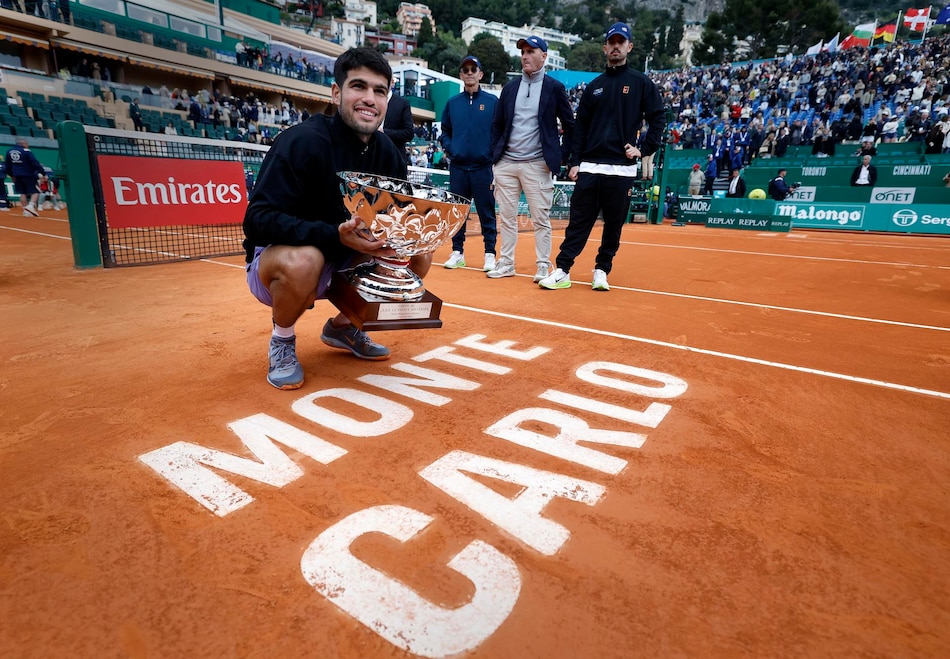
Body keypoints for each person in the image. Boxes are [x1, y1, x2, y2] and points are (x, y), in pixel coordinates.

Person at [243, 47, 423, 390]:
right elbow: (256, 221)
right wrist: (333, 234)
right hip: (286, 262)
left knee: (416, 254)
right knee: (306, 260)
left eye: (379, 91)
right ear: (336, 93)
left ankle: (345, 326)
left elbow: (395, 217)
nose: (369, 98)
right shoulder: (300, 141)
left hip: (347, 260)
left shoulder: (388, 153)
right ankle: (282, 340)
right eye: (359, 86)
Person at [537, 22, 664, 292]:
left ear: (629, 47)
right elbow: (580, 127)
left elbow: (658, 117)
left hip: (622, 169)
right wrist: (575, 161)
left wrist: (644, 149)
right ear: (605, 48)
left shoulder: (641, 83)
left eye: (621, 42)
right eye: (611, 43)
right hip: (590, 167)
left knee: (613, 226)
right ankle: (562, 270)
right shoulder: (594, 86)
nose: (616, 47)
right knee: (578, 223)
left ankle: (601, 270)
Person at [488, 34, 574, 282]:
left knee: (540, 219)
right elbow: (497, 124)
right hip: (506, 163)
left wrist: (560, 157)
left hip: (537, 164)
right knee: (506, 218)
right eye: (523, 52)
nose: (525, 56)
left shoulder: (554, 88)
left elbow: (570, 126)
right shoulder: (510, 88)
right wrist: (495, 157)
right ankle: (506, 263)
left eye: (530, 52)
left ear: (543, 56)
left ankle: (543, 265)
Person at [439, 55, 499, 272]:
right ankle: (457, 252)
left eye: (474, 69)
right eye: (466, 70)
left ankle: (490, 254)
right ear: (461, 75)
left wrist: (490, 153)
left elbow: (500, 131)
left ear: (480, 74)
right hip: (458, 168)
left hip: (483, 168)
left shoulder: (492, 102)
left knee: (486, 212)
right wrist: (452, 148)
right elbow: (445, 131)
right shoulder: (452, 103)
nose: (470, 73)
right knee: (457, 212)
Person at [5, 137, 43, 216]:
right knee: (36, 191)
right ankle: (30, 206)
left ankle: (25, 210)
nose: (28, 145)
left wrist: (12, 175)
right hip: (28, 174)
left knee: (22, 192)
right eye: (27, 144)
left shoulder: (9, 151)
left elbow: (7, 165)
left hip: (16, 174)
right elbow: (34, 162)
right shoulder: (26, 151)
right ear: (23, 144)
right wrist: (42, 172)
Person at [382, 90, 414, 163]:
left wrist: (384, 132)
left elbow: (409, 133)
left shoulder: (402, 103)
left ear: (392, 84)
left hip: (393, 160)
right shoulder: (371, 99)